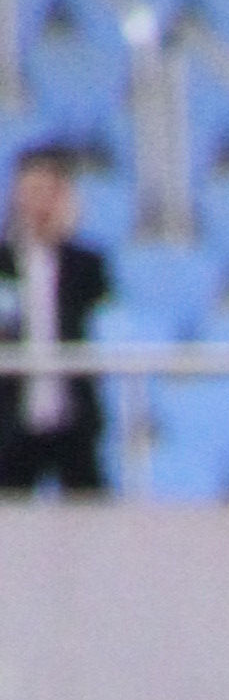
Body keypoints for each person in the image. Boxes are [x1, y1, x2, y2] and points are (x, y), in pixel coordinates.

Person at [0, 140, 111, 499]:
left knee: (89, 509)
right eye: (31, 191)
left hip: (72, 414)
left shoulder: (86, 264)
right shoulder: (3, 264)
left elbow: (106, 319)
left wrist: (64, 235)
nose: (39, 203)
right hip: (12, 416)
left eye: (49, 191)